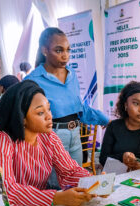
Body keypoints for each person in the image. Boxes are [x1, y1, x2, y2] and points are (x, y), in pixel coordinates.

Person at [0, 80, 95, 206]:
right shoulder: (1, 140)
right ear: (22, 118)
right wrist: (55, 197)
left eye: (49, 109)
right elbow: (6, 190)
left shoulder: (48, 137)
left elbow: (69, 171)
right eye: (40, 113)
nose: (49, 116)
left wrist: (93, 183)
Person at [27, 27, 109, 167]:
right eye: (58, 50)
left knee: (76, 180)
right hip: (51, 137)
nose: (65, 55)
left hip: (75, 135)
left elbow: (78, 108)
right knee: (56, 185)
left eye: (67, 50)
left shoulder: (72, 75)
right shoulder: (33, 80)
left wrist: (104, 119)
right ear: (44, 51)